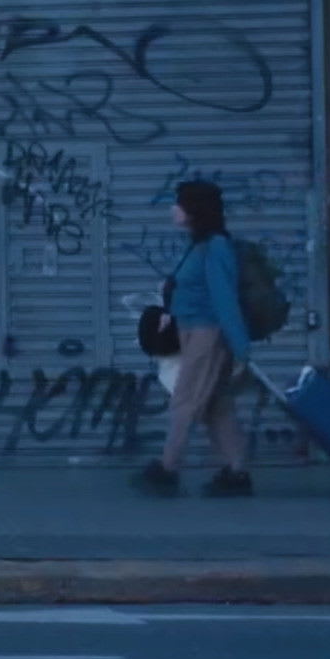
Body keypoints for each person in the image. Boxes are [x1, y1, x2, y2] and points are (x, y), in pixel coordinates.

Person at [132, 180, 252, 498]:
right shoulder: (199, 246)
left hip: (207, 334)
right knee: (216, 405)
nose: (174, 209)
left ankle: (167, 468)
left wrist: (240, 347)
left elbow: (224, 299)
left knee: (185, 400)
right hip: (192, 331)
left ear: (195, 210)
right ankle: (237, 471)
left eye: (180, 204)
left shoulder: (216, 247)